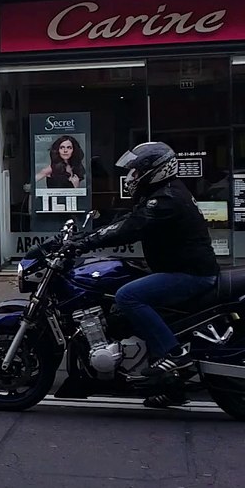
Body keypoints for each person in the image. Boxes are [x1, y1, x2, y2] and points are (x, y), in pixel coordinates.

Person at [69, 141, 219, 407]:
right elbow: (130, 219)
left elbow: (132, 227)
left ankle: (174, 355)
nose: (132, 177)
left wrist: (87, 241)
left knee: (127, 296)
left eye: (137, 171)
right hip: (181, 269)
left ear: (156, 170)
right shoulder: (164, 193)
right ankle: (171, 387)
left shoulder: (165, 199)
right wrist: (92, 231)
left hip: (190, 274)